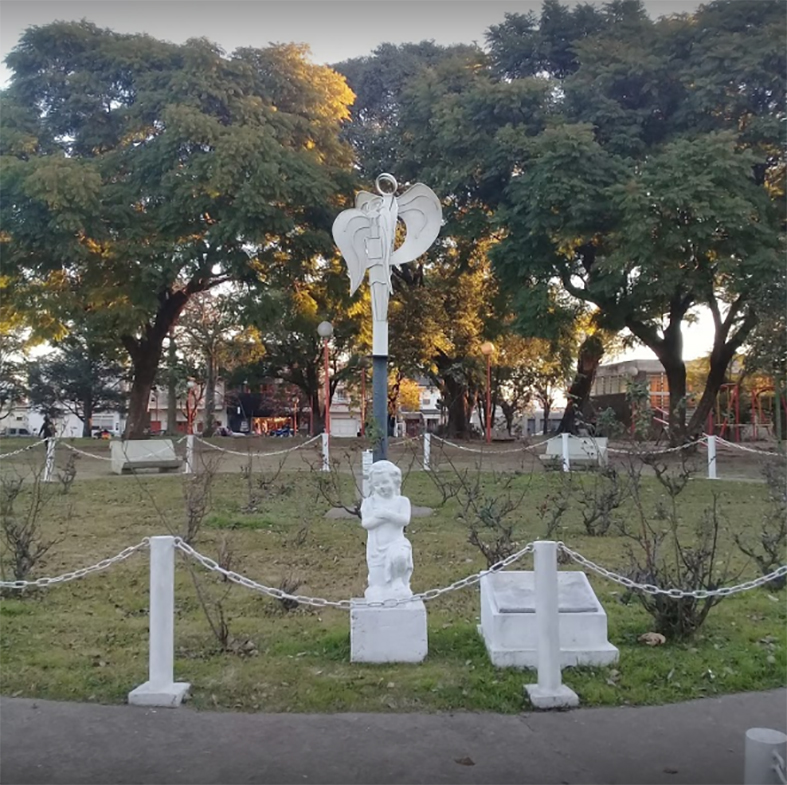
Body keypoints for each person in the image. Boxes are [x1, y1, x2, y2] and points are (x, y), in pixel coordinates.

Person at [360, 460, 413, 601]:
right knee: (377, 578)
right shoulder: (369, 503)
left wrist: (386, 514)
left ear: (395, 482)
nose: (381, 487)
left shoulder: (402, 501)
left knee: (400, 558)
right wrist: (383, 517)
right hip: (376, 547)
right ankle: (377, 587)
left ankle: (398, 582)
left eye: (385, 482)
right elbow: (366, 523)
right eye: (377, 484)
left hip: (396, 542)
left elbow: (404, 520)